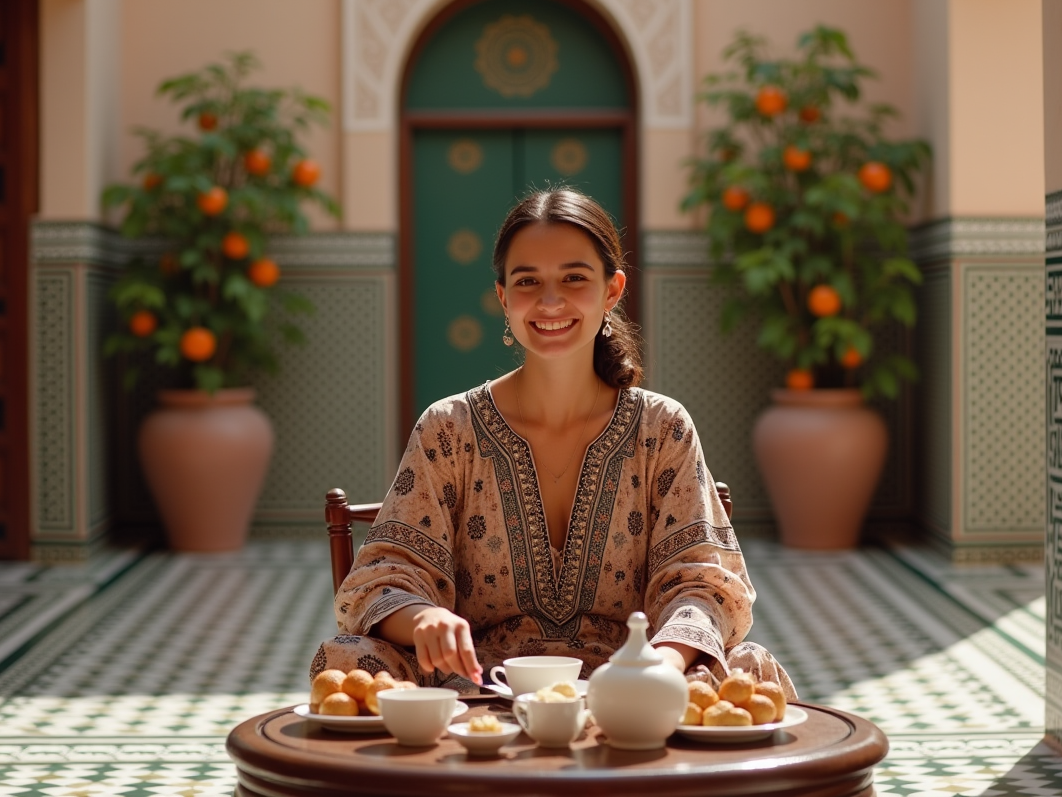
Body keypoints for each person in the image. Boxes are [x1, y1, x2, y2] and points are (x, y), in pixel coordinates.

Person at [310, 187, 796, 699]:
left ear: (612, 290)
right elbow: (387, 571)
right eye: (527, 281)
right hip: (475, 688)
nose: (549, 301)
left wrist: (660, 664)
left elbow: (700, 581)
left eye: (574, 278)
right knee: (347, 657)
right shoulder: (448, 428)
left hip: (633, 688)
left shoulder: (662, 427)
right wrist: (424, 617)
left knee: (747, 666)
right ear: (502, 297)